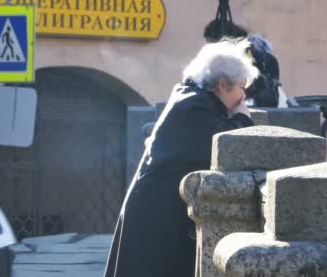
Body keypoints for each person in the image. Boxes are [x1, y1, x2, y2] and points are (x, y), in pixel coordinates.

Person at [104, 38, 259, 277]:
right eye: (241, 86)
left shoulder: (192, 98)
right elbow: (222, 145)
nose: (243, 96)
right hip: (156, 218)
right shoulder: (193, 105)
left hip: (158, 211)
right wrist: (243, 119)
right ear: (222, 84)